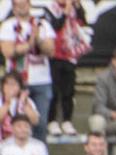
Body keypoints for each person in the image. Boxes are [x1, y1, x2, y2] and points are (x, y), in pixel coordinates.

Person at [0, 0, 56, 142]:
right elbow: (8, 51)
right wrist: (30, 42)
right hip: (16, 82)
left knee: (40, 124)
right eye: (18, 4)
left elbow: (50, 50)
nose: (21, 7)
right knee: (13, 120)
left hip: (41, 81)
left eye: (24, 3)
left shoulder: (42, 25)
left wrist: (37, 37)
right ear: (13, 7)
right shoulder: (8, 26)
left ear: (29, 4)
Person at [44, 0, 90, 136]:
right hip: (54, 55)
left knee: (68, 90)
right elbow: (55, 26)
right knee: (54, 90)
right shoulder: (50, 9)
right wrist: (66, 10)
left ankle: (67, 120)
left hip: (70, 55)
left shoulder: (74, 8)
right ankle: (52, 120)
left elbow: (83, 21)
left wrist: (77, 6)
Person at [0, 71, 39, 140]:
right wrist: (7, 103)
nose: (10, 87)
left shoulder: (26, 100)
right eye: (7, 84)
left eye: (14, 84)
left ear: (20, 87)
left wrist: (24, 104)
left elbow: (35, 121)